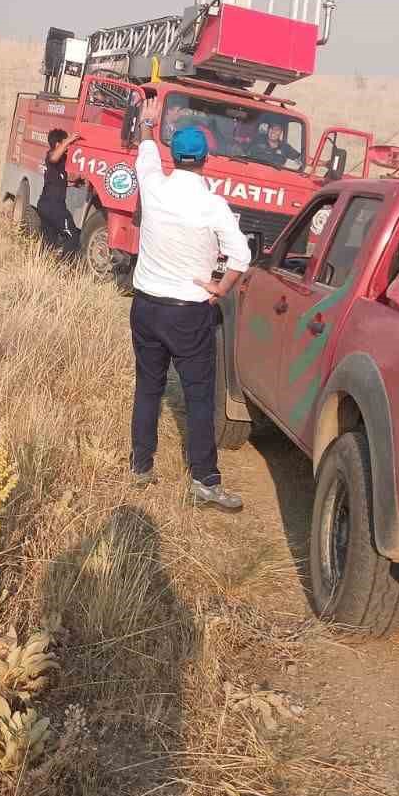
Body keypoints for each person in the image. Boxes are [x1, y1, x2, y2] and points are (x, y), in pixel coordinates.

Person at [129, 96, 252, 511]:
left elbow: (146, 149)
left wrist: (148, 122)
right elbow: (241, 256)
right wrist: (219, 288)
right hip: (188, 313)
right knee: (199, 396)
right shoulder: (212, 205)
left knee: (148, 386)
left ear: (174, 156)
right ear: (205, 160)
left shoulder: (153, 185)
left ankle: (141, 466)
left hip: (145, 306)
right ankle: (204, 480)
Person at [38, 129, 81, 255]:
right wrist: (68, 140)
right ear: (58, 144)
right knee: (72, 236)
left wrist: (74, 182)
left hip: (46, 205)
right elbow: (53, 158)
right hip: (53, 206)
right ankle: (65, 263)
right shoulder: (51, 156)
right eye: (65, 143)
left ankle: (44, 263)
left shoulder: (61, 162)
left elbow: (58, 180)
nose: (68, 147)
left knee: (49, 242)